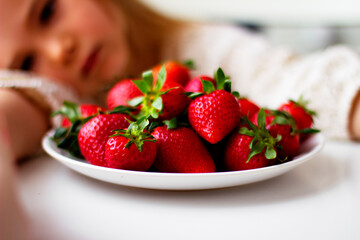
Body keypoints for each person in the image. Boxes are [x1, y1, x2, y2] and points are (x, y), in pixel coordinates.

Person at [1, 0, 360, 239]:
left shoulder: (200, 47)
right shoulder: (55, 100)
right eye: (26, 62)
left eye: (47, 12)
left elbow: (295, 76)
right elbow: (24, 101)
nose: (58, 49)